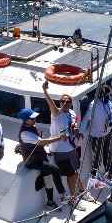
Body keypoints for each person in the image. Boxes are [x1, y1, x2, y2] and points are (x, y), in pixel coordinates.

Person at [42, 81, 88, 210]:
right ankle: (73, 198)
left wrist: (77, 131)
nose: (65, 103)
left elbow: (73, 126)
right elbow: (50, 103)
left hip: (71, 147)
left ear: (71, 103)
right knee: (71, 174)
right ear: (59, 102)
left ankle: (82, 191)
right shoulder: (57, 113)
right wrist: (45, 91)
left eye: (67, 101)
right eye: (62, 101)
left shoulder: (72, 113)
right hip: (60, 150)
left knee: (76, 171)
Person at [17, 108, 68, 209]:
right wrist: (59, 138)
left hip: (40, 157)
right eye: (32, 118)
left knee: (48, 178)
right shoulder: (25, 133)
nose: (35, 120)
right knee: (55, 169)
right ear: (25, 120)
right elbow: (41, 142)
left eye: (35, 117)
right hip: (32, 161)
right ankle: (63, 195)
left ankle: (50, 202)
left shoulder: (31, 127)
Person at [80, 84, 112, 180]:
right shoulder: (93, 105)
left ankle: (108, 172)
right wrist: (80, 131)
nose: (110, 96)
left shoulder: (111, 101)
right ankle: (94, 172)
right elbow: (86, 118)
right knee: (97, 155)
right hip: (97, 134)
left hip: (108, 132)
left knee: (108, 152)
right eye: (108, 94)